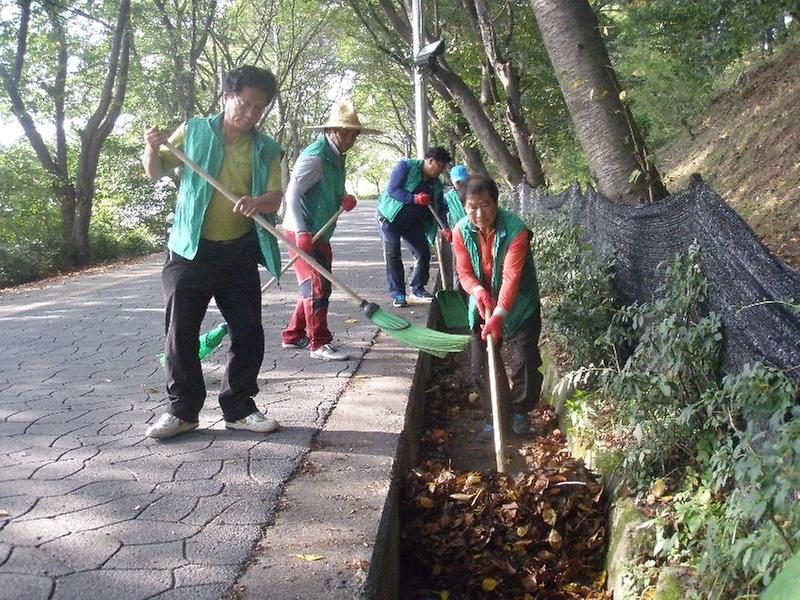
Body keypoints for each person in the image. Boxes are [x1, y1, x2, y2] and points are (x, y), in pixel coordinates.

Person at [142, 65, 284, 439]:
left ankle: (239, 408)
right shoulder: (193, 132)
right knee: (181, 332)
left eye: (259, 107)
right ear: (227, 97)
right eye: (245, 103)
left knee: (248, 331)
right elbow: (155, 171)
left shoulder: (267, 149)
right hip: (189, 249)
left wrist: (257, 202)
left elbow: (275, 196)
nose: (250, 113)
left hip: (238, 252)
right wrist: (151, 147)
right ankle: (182, 411)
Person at [280, 100, 379, 361]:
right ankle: (319, 344)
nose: (349, 139)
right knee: (317, 286)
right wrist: (301, 232)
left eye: (353, 134)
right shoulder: (315, 157)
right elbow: (292, 194)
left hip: (321, 232)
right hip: (301, 232)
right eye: (344, 133)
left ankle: (292, 335)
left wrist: (343, 198)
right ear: (331, 131)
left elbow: (329, 188)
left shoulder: (337, 157)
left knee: (316, 284)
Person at [451, 175, 543, 440]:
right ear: (464, 207)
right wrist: (478, 291)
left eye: (486, 204)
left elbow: (511, 277)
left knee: (525, 360)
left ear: (496, 203)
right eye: (472, 207)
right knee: (481, 366)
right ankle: (496, 417)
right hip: (481, 304)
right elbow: (464, 272)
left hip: (520, 304)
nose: (480, 214)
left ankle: (520, 411)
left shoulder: (516, 230)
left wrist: (500, 314)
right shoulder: (460, 231)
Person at [376, 146, 452, 307]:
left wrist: (445, 228)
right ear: (431, 161)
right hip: (389, 218)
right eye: (440, 167)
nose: (440, 171)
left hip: (412, 223)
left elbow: (440, 209)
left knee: (423, 253)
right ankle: (398, 293)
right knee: (393, 254)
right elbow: (392, 190)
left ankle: (417, 288)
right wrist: (414, 198)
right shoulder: (406, 166)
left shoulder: (436, 185)